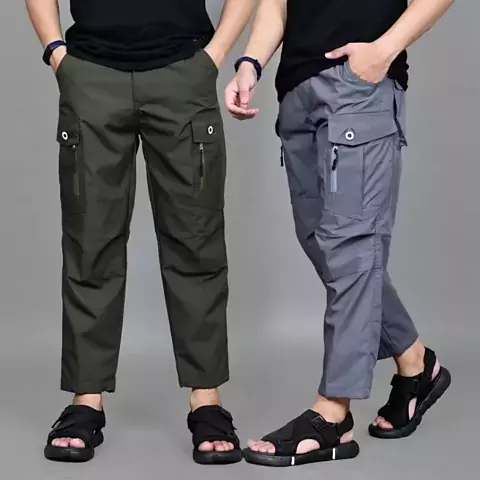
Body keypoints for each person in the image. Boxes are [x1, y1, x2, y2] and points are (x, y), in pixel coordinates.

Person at [26, 0, 256, 465]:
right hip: (92, 75)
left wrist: (215, 56)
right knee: (90, 242)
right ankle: (86, 400)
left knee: (196, 243)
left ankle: (206, 400)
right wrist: (55, 52)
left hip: (183, 74)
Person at [225, 0, 454, 467]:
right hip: (297, 93)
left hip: (358, 87)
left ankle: (332, 414)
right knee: (326, 244)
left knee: (351, 249)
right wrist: (251, 63)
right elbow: (276, 5)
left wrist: (384, 50)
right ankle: (415, 361)